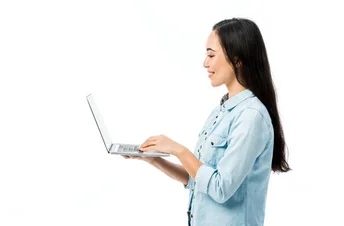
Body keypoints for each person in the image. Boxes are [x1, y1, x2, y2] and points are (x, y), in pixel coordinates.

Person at [123, 18, 291, 226]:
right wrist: (153, 159)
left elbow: (221, 188)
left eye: (211, 55)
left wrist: (178, 149)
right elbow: (199, 180)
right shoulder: (222, 111)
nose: (205, 63)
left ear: (237, 59)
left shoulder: (251, 116)